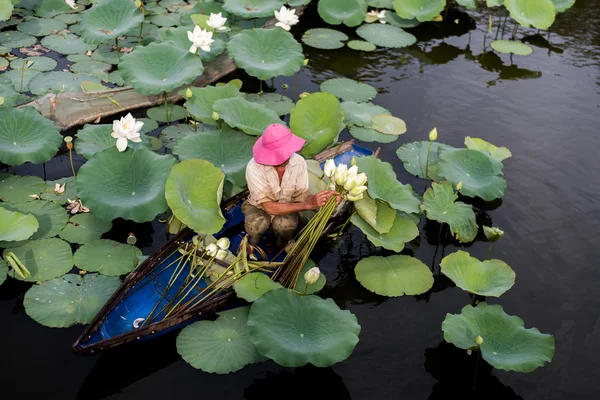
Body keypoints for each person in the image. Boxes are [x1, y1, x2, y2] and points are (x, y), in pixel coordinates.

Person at [243, 124, 339, 251]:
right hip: (258, 206)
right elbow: (269, 207)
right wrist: (306, 205)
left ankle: (283, 245)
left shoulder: (298, 162)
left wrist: (317, 200)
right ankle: (251, 244)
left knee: (286, 225)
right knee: (255, 224)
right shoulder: (254, 167)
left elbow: (302, 194)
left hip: (289, 205)